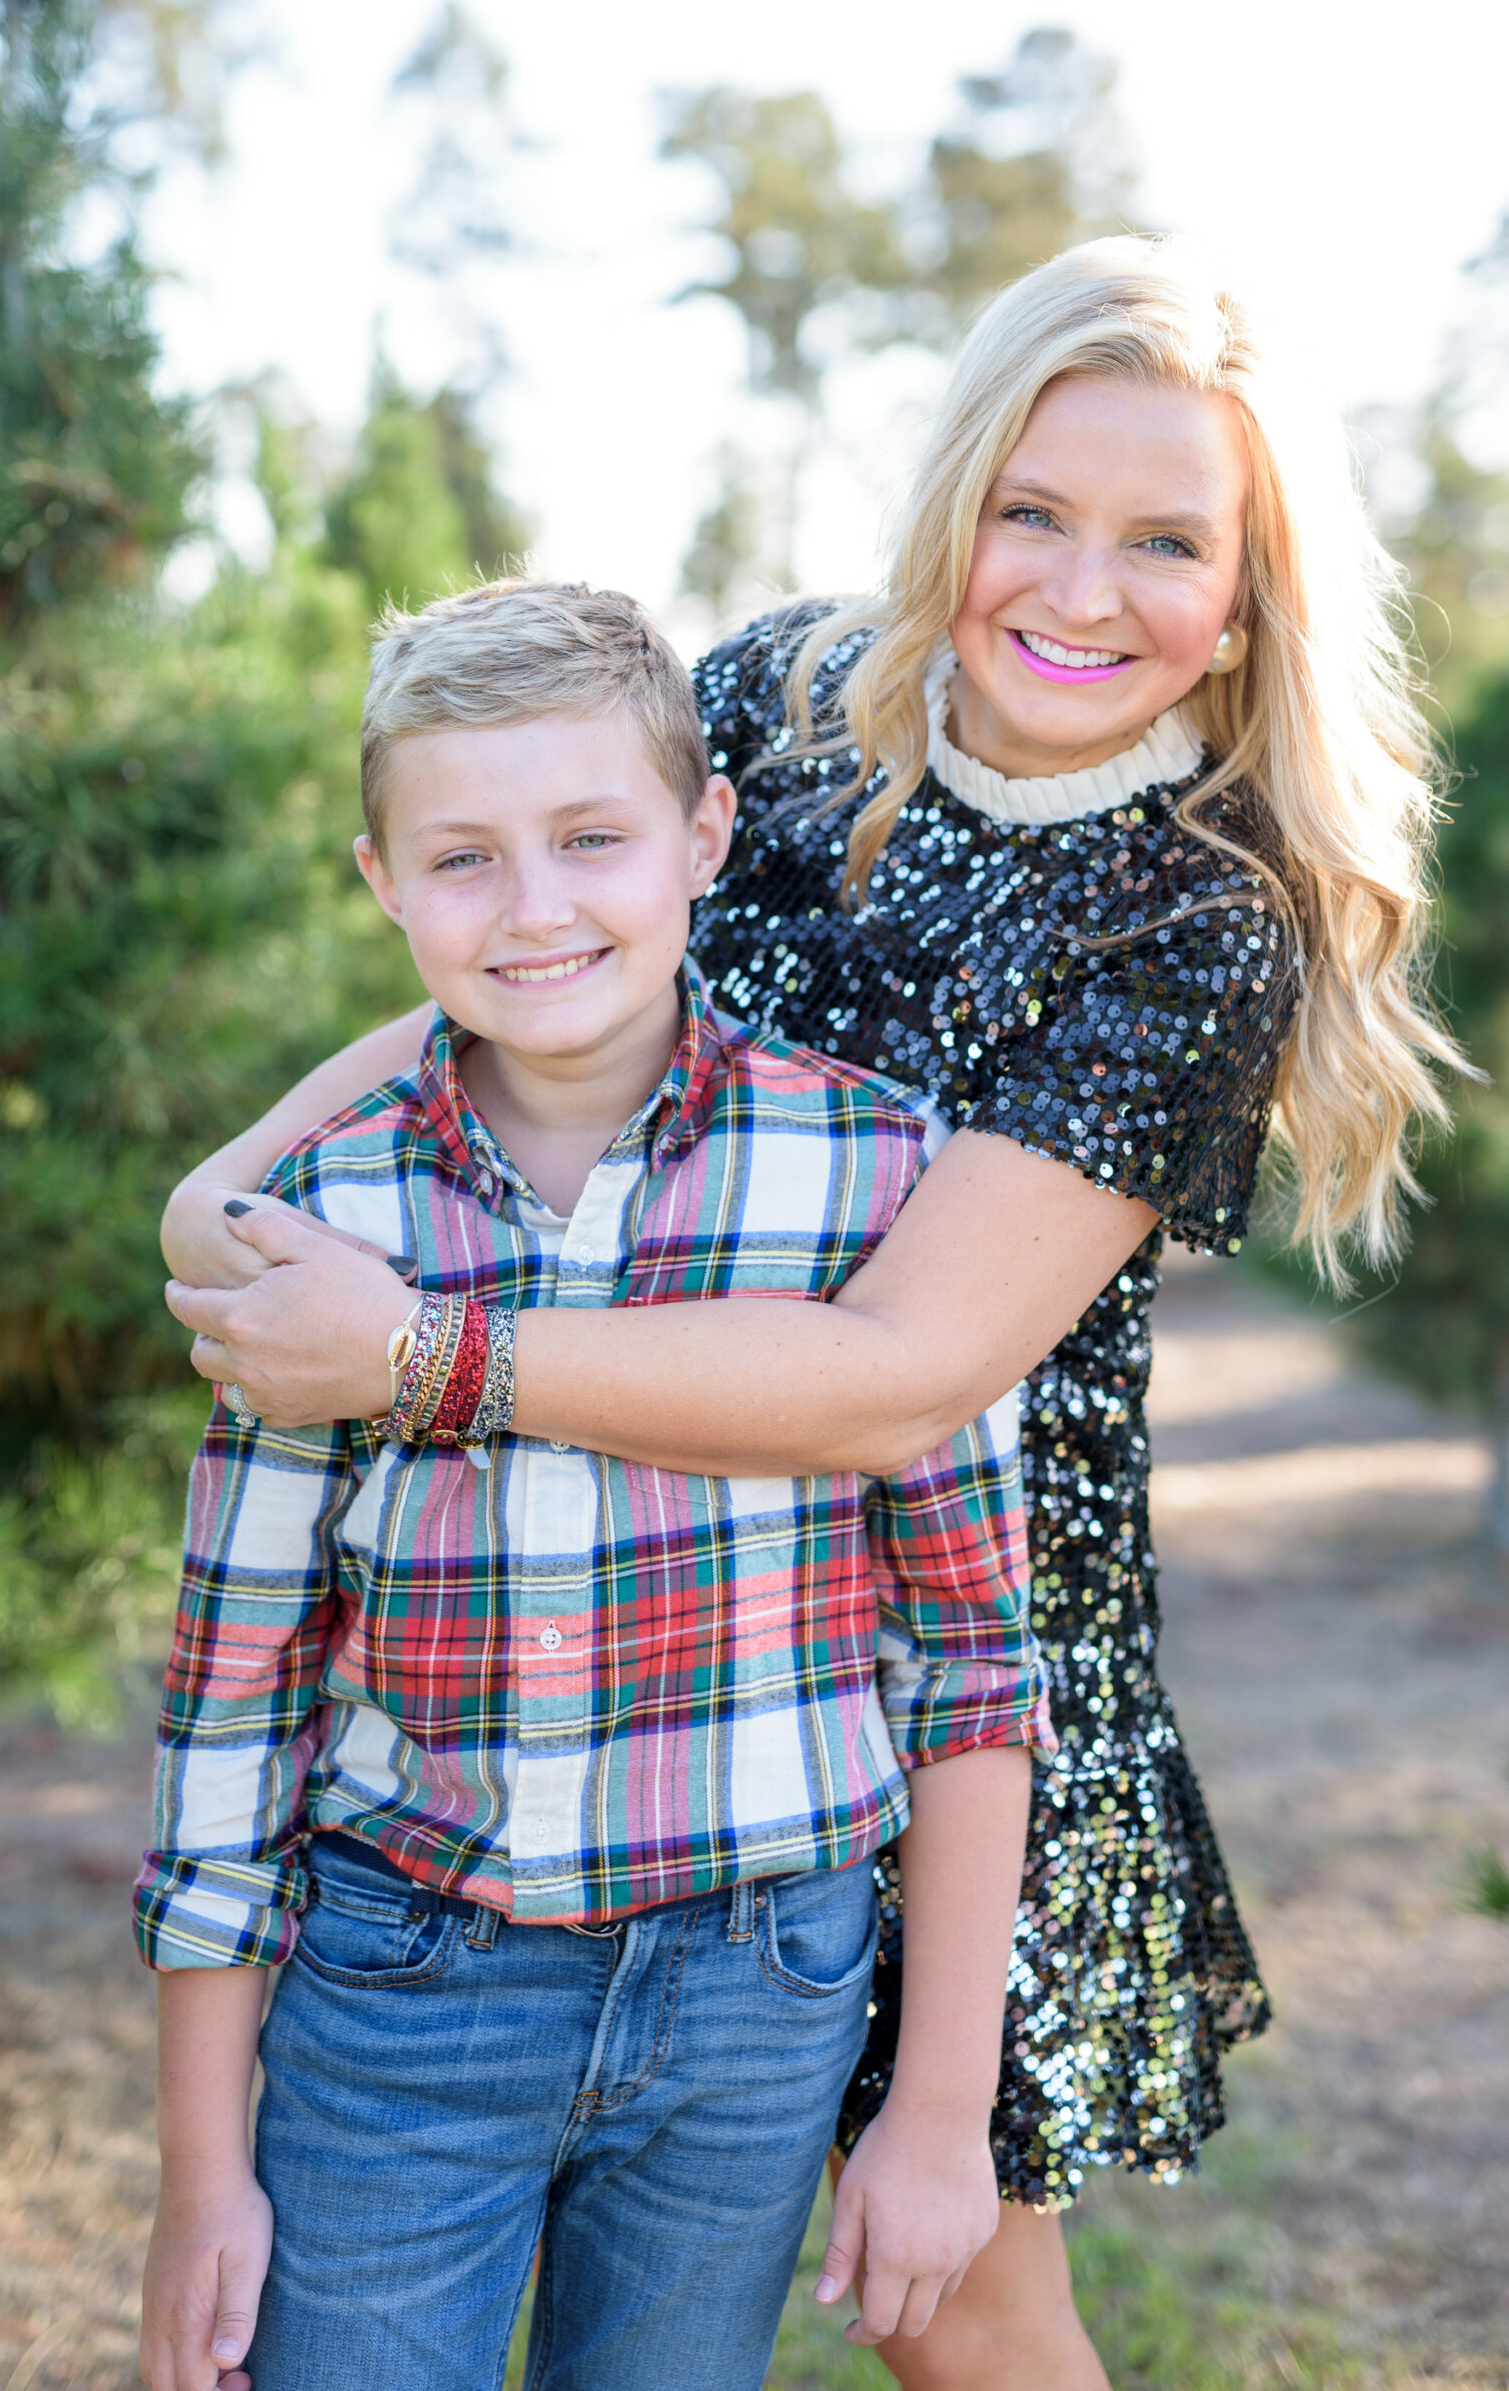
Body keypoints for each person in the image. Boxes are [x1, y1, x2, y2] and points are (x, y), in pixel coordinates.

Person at [164, 240, 1463, 2391]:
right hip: (633, 1577)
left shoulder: (1189, 913)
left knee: (949, 2297)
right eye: (1031, 510)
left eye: (1165, 540)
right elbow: (535, 946)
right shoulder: (779, 699)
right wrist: (235, 1177)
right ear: (954, 499)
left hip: (932, 1645)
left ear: (1240, 599)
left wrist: (416, 1354)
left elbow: (902, 1374)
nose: (1077, 584)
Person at [136, 580, 1052, 2391]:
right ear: (381, 881)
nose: (538, 906)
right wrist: (198, 2171)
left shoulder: (873, 1173)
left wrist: (941, 2106)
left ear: (704, 836)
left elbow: (968, 1669)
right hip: (406, 1994)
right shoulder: (323, 1228)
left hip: (760, 1990)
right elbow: (229, 1702)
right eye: (463, 857)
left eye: (592, 838)